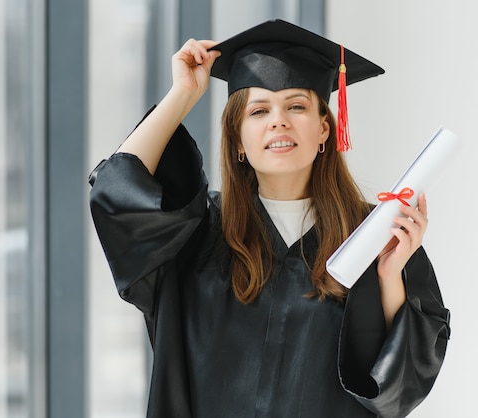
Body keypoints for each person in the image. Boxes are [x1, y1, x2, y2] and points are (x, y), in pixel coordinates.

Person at [89, 19, 450, 418]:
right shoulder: (196, 234)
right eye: (259, 111)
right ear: (238, 140)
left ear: (324, 130)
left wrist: (389, 277)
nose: (279, 120)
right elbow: (117, 197)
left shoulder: (374, 238)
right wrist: (182, 95)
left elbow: (399, 390)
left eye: (297, 106)